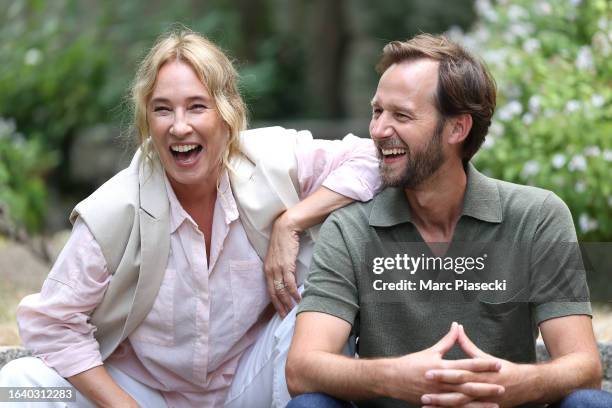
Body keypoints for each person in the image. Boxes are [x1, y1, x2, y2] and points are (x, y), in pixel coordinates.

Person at [0, 29, 381, 407]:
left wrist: (292, 221)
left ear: (227, 112)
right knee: (15, 384)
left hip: (250, 384)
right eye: (162, 109)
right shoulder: (114, 209)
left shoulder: (270, 159)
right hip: (145, 393)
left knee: (314, 309)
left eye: (197, 106)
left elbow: (371, 157)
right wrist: (122, 405)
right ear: (147, 119)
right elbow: (50, 323)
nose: (179, 126)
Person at [286, 34, 611, 408]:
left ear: (457, 128)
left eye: (401, 115)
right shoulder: (349, 228)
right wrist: (392, 377)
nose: (377, 130)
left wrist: (520, 382)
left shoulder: (537, 217)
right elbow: (302, 368)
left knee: (591, 403)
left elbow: (585, 368)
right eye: (377, 111)